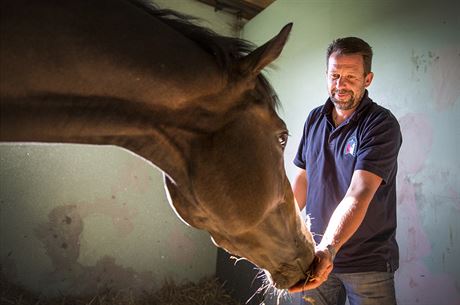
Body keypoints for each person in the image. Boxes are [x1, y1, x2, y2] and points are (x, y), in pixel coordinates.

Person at [289, 37, 402, 305]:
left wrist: (328, 248)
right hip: (312, 257)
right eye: (335, 75)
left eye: (350, 76)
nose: (340, 84)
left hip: (367, 261)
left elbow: (358, 193)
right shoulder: (315, 118)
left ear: (368, 79)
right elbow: (303, 177)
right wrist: (282, 228)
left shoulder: (381, 124)